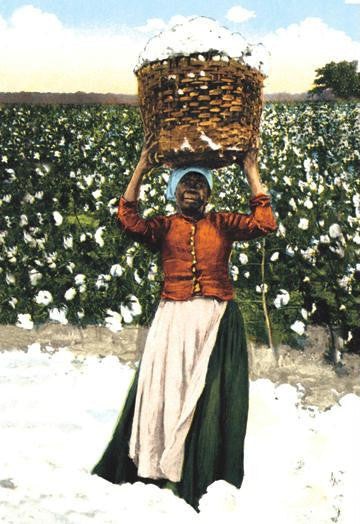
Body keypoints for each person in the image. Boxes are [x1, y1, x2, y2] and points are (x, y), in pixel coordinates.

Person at [91, 136, 277, 512]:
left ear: (208, 195)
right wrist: (141, 166)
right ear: (174, 193)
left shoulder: (222, 223)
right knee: (169, 389)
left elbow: (265, 222)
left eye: (200, 185)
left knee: (205, 395)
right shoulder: (164, 227)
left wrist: (251, 171)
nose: (192, 190)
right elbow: (127, 219)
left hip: (214, 318)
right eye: (185, 184)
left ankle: (201, 468)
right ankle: (162, 465)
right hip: (174, 318)